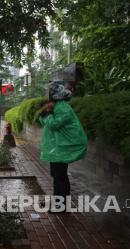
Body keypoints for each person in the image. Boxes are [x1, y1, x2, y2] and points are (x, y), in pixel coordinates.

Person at [39, 82, 87, 212]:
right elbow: (46, 122)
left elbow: (54, 124)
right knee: (56, 174)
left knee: (60, 176)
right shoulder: (56, 105)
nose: (47, 95)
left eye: (49, 92)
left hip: (63, 146)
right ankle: (57, 202)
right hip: (57, 147)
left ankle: (62, 206)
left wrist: (47, 114)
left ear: (54, 94)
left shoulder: (62, 107)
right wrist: (45, 114)